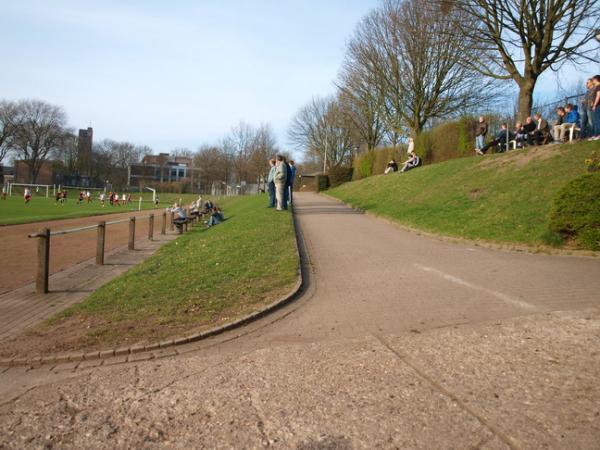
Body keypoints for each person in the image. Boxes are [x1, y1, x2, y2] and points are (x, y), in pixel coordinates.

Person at [590, 75, 600, 140]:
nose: (592, 81)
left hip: (598, 106)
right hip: (595, 106)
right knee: (595, 121)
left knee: (598, 120)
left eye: (593, 80)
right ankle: (595, 134)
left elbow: (598, 96)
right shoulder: (596, 87)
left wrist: (595, 105)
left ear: (596, 79)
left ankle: (599, 134)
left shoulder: (599, 86)